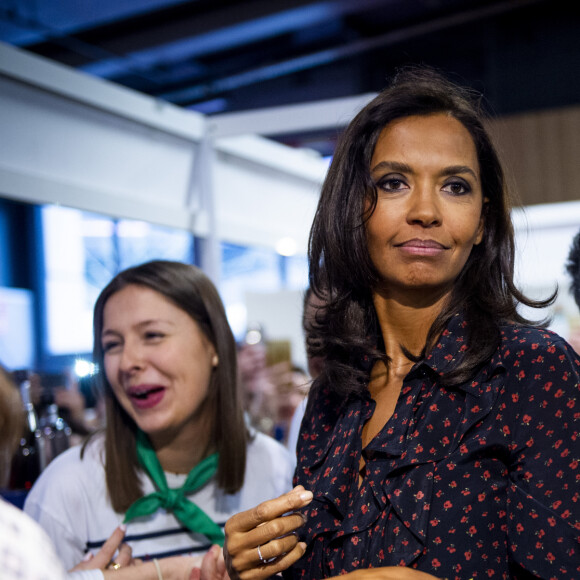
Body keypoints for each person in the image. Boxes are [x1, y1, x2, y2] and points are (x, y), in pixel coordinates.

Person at [222, 67, 580, 580]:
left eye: (455, 186)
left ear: (482, 221)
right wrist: (258, 565)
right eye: (393, 183)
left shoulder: (532, 370)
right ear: (353, 208)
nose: (426, 211)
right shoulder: (331, 397)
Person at [24, 260, 294, 577]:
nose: (128, 362)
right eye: (112, 344)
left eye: (152, 335)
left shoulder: (274, 468)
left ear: (213, 346)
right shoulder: (64, 489)